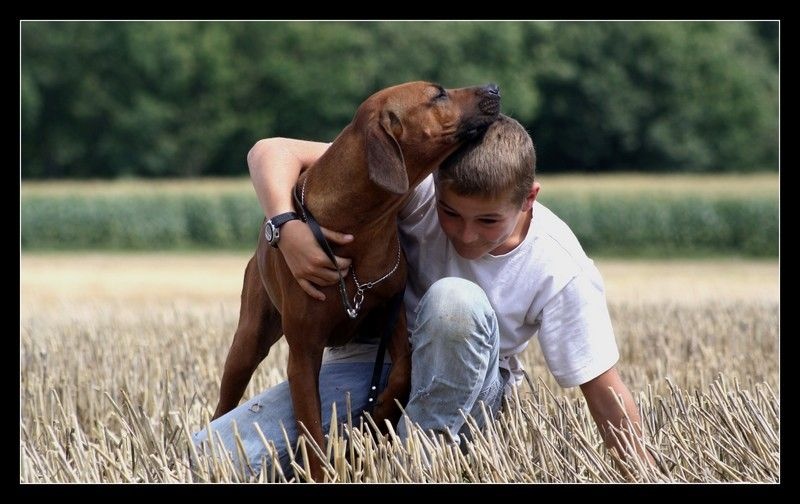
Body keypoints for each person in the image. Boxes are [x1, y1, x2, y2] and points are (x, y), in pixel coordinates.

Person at [193, 115, 650, 477]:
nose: (466, 235)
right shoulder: (411, 186)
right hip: (369, 369)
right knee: (207, 458)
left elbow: (606, 393)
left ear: (528, 198)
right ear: (434, 181)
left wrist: (642, 475)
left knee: (454, 301)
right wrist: (284, 224)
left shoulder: (560, 266)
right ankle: (366, 449)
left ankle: (416, 465)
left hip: (471, 394)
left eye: (488, 221)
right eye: (450, 213)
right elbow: (271, 151)